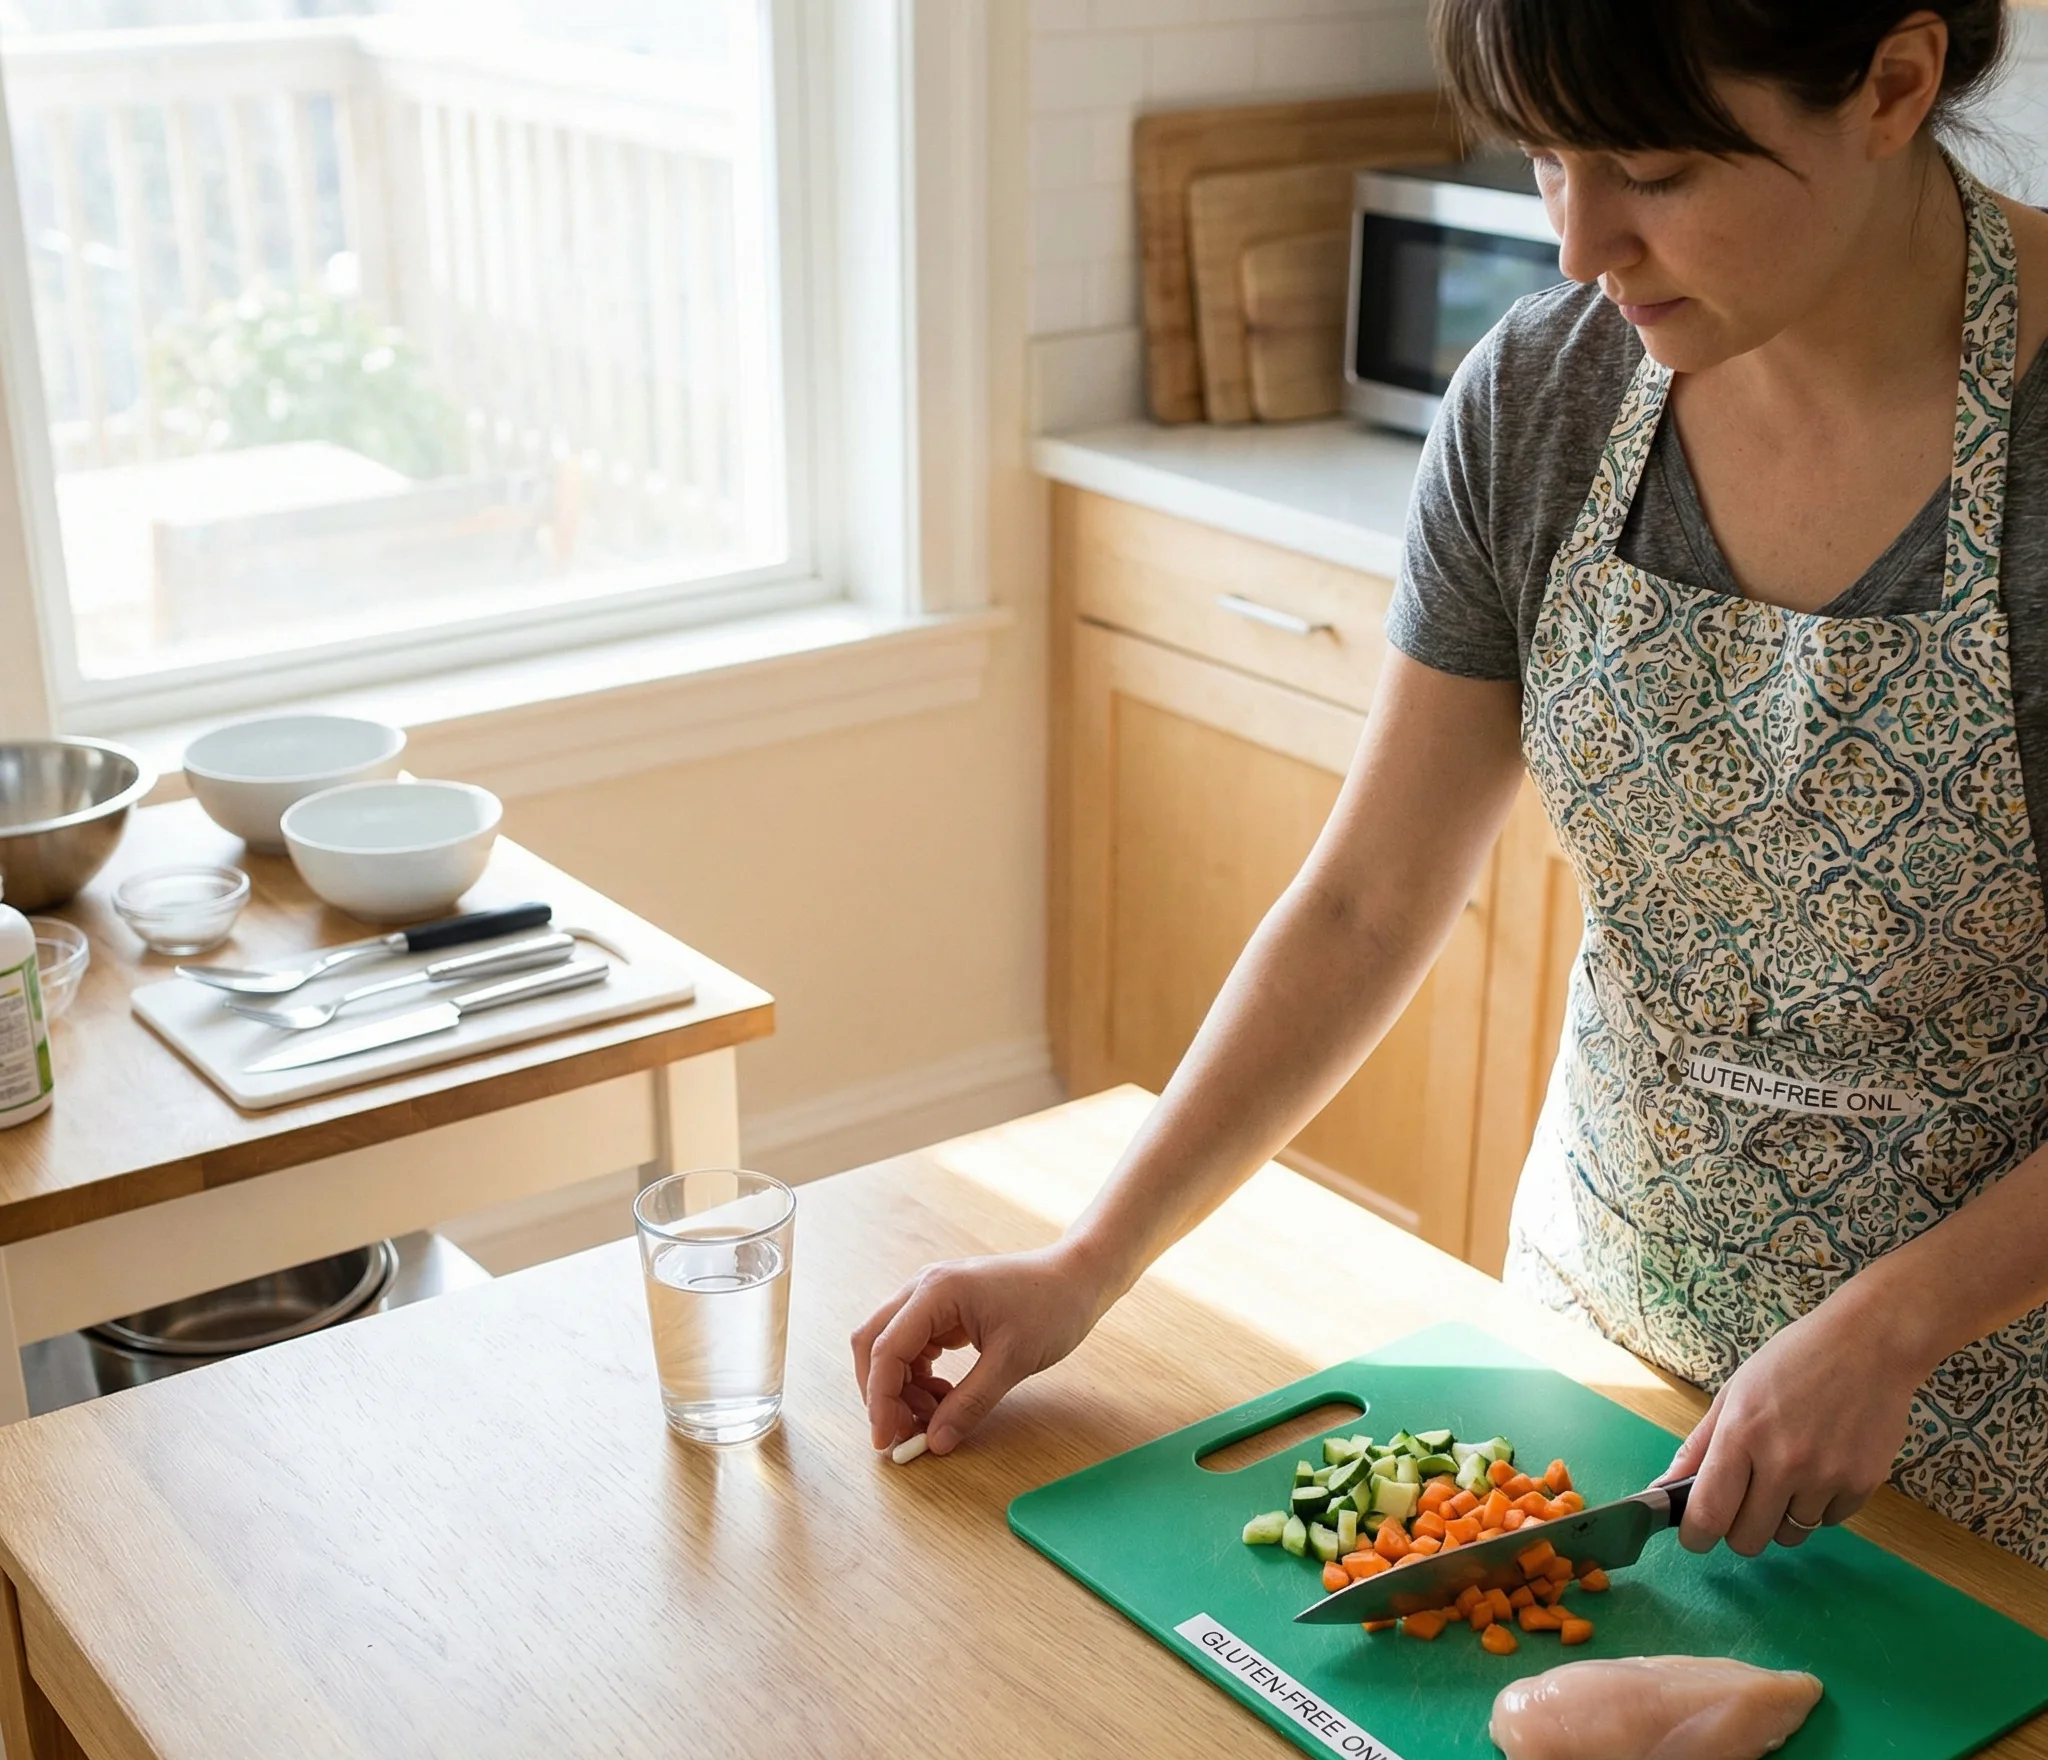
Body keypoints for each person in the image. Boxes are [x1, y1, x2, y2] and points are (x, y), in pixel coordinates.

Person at [857, 0, 2048, 1568]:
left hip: (1994, 1422)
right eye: (1549, 161)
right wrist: (1089, 1260)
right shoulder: (1545, 403)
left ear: (1893, 84)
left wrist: (1892, 1328)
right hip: (1604, 1356)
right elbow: (1364, 904)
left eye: (1655, 169)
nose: (1579, 246)